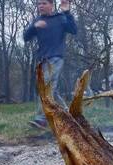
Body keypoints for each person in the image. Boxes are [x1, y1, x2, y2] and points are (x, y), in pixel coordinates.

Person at [24, 0, 77, 129]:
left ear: (51, 5)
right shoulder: (38, 20)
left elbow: (73, 30)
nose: (40, 6)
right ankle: (70, 116)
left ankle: (42, 119)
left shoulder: (60, 18)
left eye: (44, 3)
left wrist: (67, 11)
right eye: (39, 4)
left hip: (56, 57)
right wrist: (34, 27)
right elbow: (26, 37)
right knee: (53, 90)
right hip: (42, 59)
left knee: (46, 87)